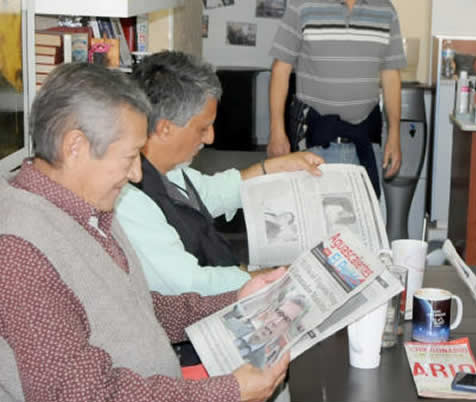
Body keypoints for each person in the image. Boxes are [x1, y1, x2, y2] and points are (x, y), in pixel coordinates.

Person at [0, 63, 306, 402]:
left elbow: (135, 307)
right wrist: (226, 394)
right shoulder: (18, 251)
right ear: (75, 147)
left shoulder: (85, 206)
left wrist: (233, 299)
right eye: (129, 158)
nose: (135, 176)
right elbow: (85, 400)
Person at [115, 50, 324, 296]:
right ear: (164, 129)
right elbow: (191, 284)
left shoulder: (169, 170)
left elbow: (213, 192)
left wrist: (275, 167)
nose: (210, 137)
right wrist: (282, 276)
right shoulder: (128, 200)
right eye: (203, 128)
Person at [267, 0, 407, 196]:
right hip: (313, 144)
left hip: (366, 143)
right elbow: (280, 69)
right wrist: (276, 131)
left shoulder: (385, 10)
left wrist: (394, 135)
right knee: (314, 216)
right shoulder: (302, 6)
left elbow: (391, 75)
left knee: (360, 220)